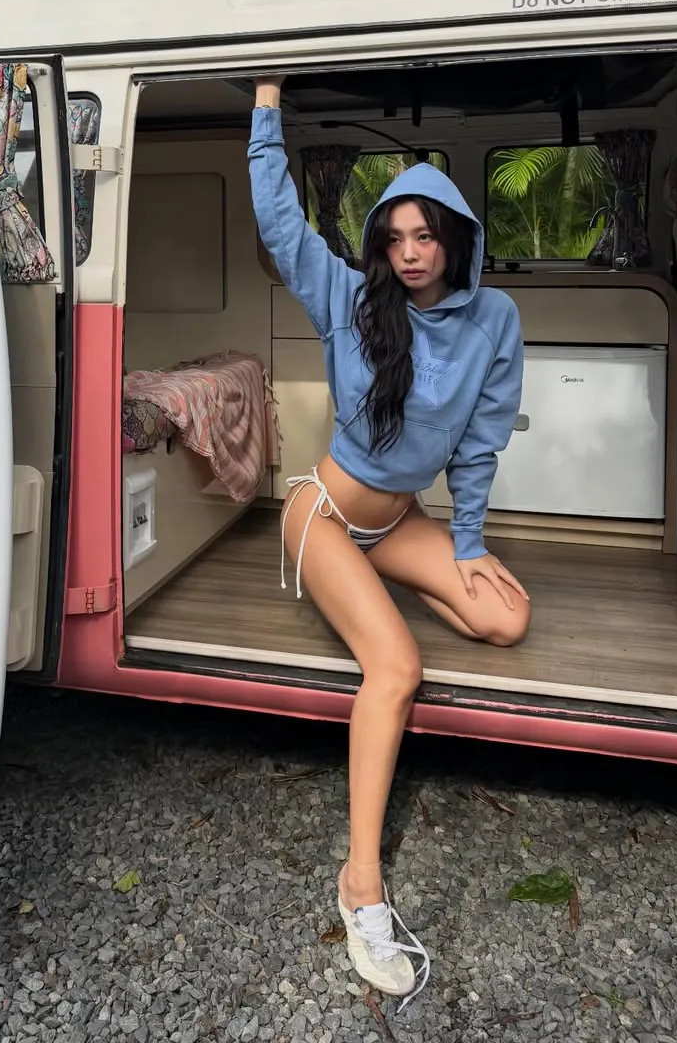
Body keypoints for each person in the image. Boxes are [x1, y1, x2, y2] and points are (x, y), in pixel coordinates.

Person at [248, 76, 531, 1005]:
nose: (409, 253)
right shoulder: (347, 297)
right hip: (324, 516)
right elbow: (282, 222)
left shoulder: (493, 321)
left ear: (453, 239)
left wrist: (470, 543)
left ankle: (386, 585)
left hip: (399, 522)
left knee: (505, 619)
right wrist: (265, 106)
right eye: (394, 237)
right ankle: (360, 884)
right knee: (397, 666)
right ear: (379, 243)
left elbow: (481, 441)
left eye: (425, 236)